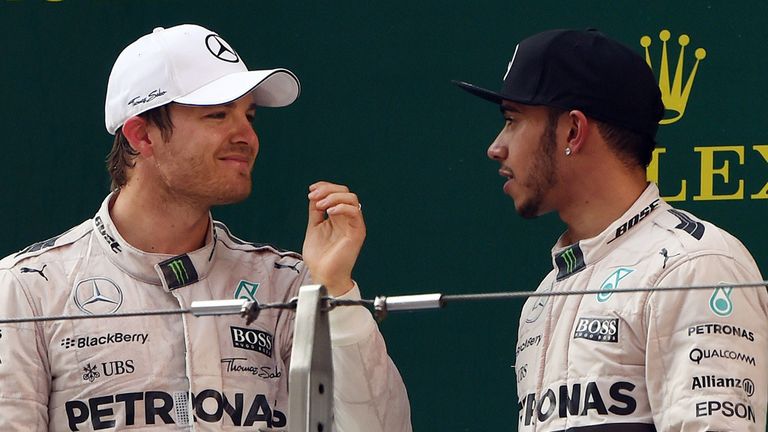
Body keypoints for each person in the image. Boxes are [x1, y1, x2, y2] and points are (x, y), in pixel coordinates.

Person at [0, 24, 411, 431]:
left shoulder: (285, 284)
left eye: (248, 115)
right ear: (142, 135)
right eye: (218, 114)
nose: (247, 136)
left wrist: (337, 289)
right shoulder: (28, 289)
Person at [454, 29, 767, 431]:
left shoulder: (694, 266)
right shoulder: (546, 294)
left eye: (513, 120)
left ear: (573, 131)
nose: (496, 147)